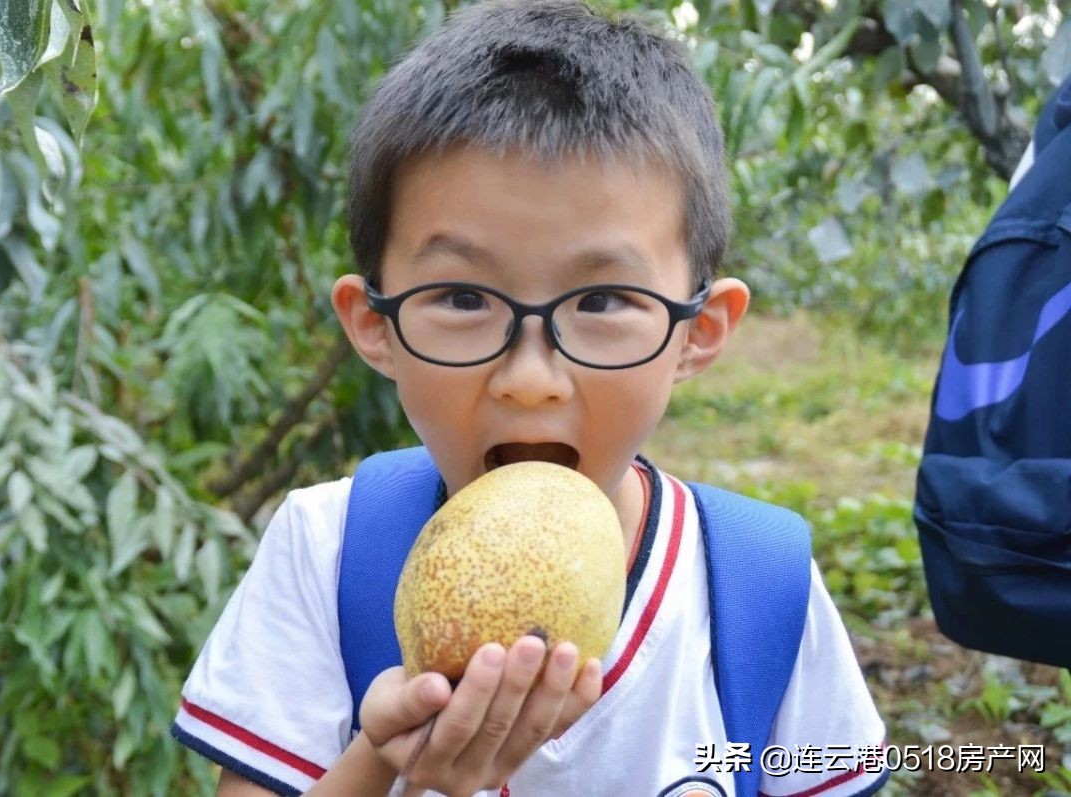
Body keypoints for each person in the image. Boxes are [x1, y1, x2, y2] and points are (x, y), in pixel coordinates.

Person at [171, 2, 888, 795]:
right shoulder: (329, 551)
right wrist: (383, 761)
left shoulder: (758, 588)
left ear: (699, 331)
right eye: (463, 298)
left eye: (605, 301)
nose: (531, 377)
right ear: (374, 325)